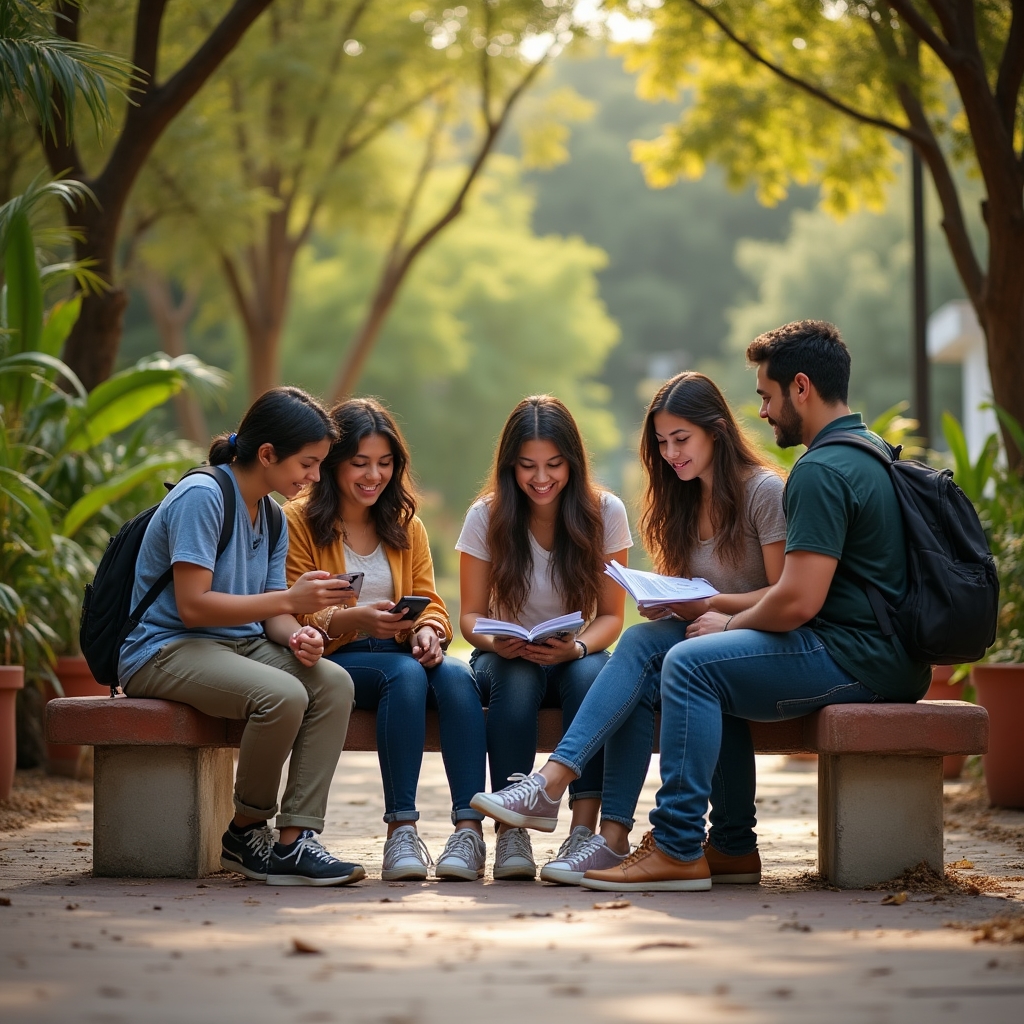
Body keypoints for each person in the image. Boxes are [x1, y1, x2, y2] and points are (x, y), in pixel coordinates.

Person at [477, 321, 934, 890]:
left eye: (766, 396)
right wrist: (685, 607)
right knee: (653, 648)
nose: (762, 411)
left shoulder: (811, 473)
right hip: (838, 646)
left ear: (799, 388)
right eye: (662, 444)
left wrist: (722, 614)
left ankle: (669, 841)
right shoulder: (850, 454)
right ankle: (681, 840)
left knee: (689, 665)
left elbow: (795, 598)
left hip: (849, 653)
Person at [473, 372, 786, 884]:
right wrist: (670, 601)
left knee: (639, 648)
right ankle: (611, 838)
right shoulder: (682, 497)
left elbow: (785, 592)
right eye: (661, 443)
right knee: (640, 662)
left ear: (717, 431)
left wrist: (715, 604)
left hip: (756, 636)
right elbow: (691, 592)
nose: (670, 454)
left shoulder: (764, 491)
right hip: (703, 633)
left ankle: (553, 785)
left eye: (681, 439)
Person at [119, 386, 364, 886]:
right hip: (162, 649)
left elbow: (273, 613)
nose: (315, 477)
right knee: (282, 695)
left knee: (333, 683)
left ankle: (296, 840)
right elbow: (192, 606)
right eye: (308, 463)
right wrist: (290, 604)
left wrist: (296, 635)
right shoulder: (202, 497)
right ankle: (247, 831)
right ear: (268, 454)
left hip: (234, 644)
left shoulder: (272, 515)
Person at [284, 398, 488, 882]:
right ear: (335, 464)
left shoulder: (405, 523)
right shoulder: (299, 519)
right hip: (336, 658)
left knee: (460, 677)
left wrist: (427, 630)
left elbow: (430, 600)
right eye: (359, 464)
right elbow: (292, 607)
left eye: (384, 463)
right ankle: (402, 830)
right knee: (404, 676)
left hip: (401, 652)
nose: (373, 475)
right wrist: (353, 619)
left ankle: (468, 831)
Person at [460, 395, 632, 880]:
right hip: (506, 655)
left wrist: (576, 646)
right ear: (510, 466)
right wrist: (499, 643)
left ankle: (582, 830)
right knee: (514, 678)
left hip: (575, 652)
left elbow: (612, 617)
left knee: (593, 675)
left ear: (573, 463)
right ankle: (512, 833)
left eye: (554, 465)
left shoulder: (605, 511)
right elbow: (470, 617)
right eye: (528, 466)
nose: (541, 478)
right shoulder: (486, 516)